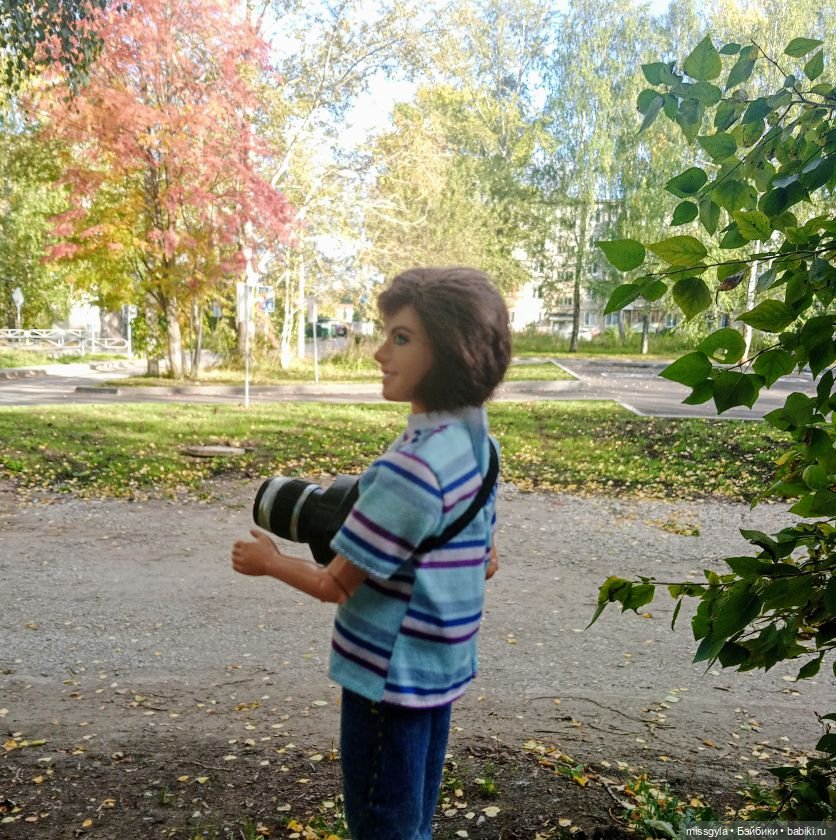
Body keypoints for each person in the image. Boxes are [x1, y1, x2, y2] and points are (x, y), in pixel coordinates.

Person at [231, 266, 511, 839]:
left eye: (401, 338)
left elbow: (335, 585)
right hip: (441, 667)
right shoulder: (481, 445)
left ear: (452, 352)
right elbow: (487, 557)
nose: (380, 352)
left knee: (382, 823)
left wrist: (269, 561)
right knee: (412, 815)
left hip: (388, 676)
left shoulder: (408, 472)